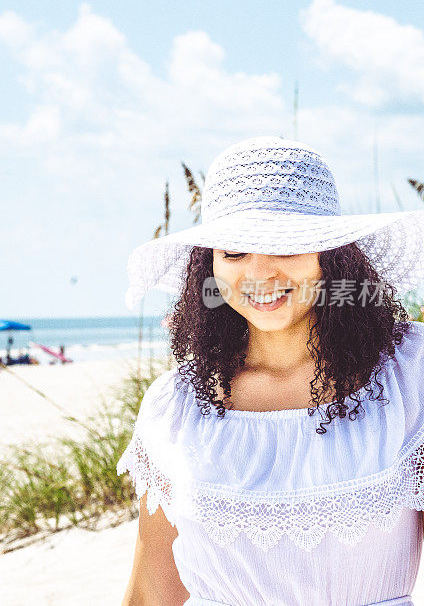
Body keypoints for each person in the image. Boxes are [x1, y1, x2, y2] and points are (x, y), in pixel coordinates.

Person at [117, 136, 424, 604]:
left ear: (333, 254)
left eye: (285, 245)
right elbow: (151, 590)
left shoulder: (410, 376)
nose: (259, 275)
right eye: (234, 253)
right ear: (211, 267)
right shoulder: (174, 404)